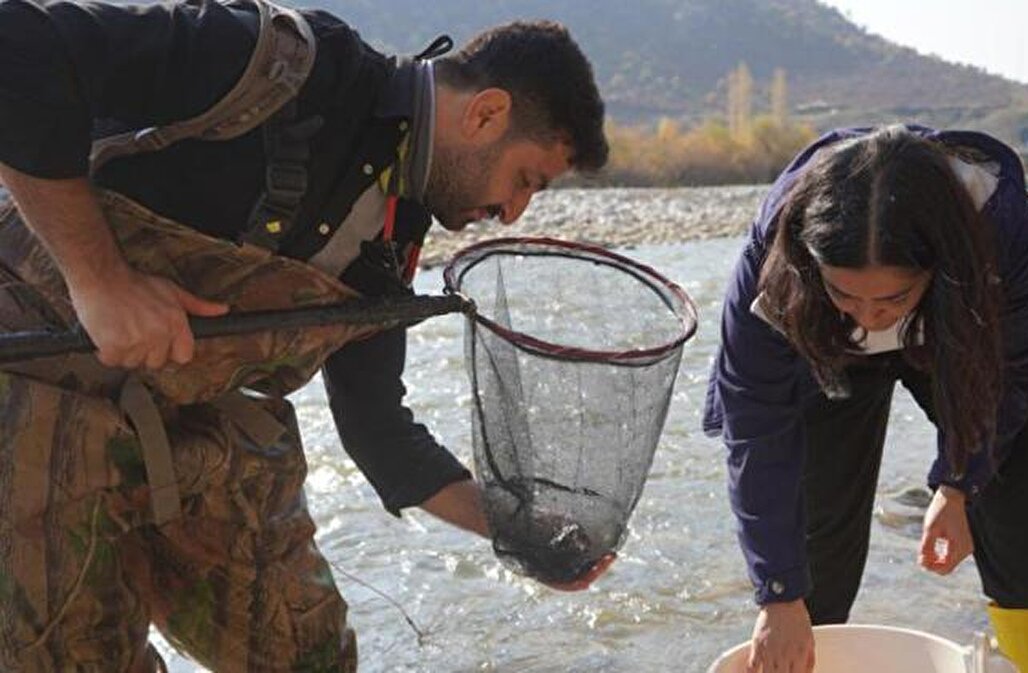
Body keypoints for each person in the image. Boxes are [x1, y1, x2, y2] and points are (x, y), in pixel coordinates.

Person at [0, 0, 610, 670]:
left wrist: (521, 533)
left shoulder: (395, 236)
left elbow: (380, 431)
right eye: (525, 179)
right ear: (486, 113)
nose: (511, 211)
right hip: (30, 388)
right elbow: (19, 43)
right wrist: (100, 282)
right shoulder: (279, 66)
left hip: (197, 432)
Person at [703, 125, 1028, 672]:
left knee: (1025, 512)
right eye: (845, 292)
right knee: (811, 543)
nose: (869, 315)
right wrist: (778, 592)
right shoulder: (775, 265)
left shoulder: (1007, 237)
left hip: (959, 336)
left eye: (891, 297)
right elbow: (757, 428)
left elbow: (1011, 373)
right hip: (826, 349)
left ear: (937, 262)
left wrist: (958, 484)